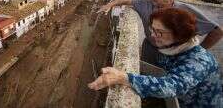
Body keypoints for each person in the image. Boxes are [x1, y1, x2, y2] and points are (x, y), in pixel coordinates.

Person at [88, 8, 223, 108]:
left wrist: (123, 77)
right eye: (152, 29)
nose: (153, 35)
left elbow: (171, 86)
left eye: (159, 32)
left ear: (179, 35)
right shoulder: (171, 48)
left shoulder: (199, 61)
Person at [98, 0, 223, 65]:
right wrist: (109, 5)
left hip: (176, 54)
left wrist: (199, 50)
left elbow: (217, 31)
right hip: (151, 49)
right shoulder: (147, 5)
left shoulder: (184, 11)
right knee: (147, 75)